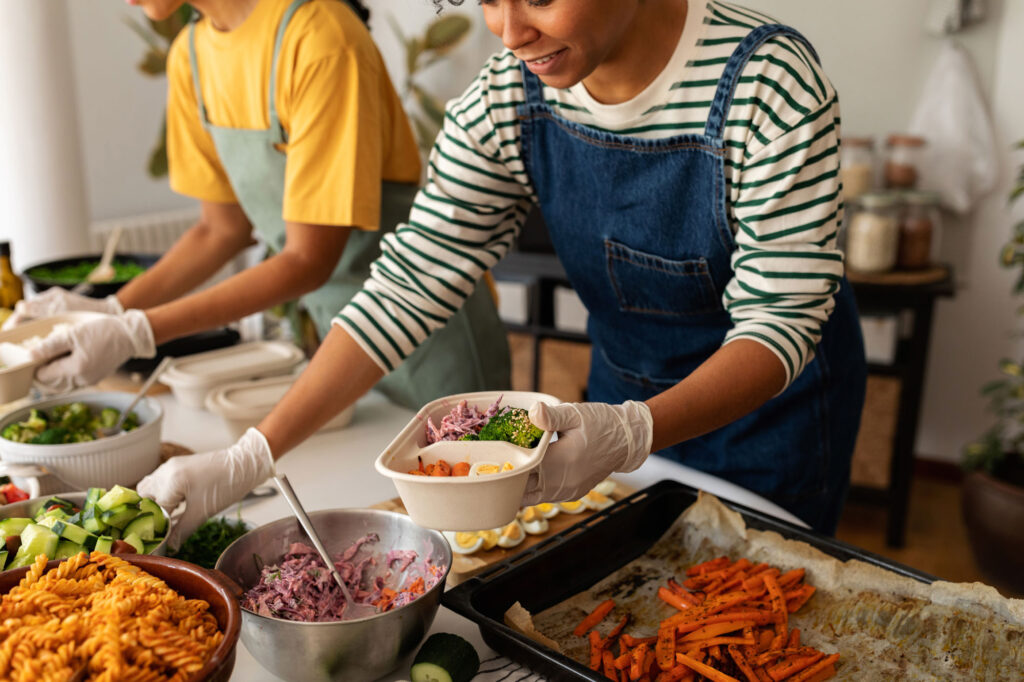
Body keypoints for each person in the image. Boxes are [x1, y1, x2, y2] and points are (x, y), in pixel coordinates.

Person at [129, 0, 864, 546]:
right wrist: (247, 456)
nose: (511, 32)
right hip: (619, 392)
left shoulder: (768, 85)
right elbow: (411, 282)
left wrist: (637, 430)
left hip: (771, 418)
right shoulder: (506, 97)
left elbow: (780, 322)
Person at [6, 0, 510, 411]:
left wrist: (137, 331)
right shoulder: (192, 57)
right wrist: (110, 309)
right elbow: (219, 230)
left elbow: (307, 259)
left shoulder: (319, 38)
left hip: (428, 331)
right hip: (336, 342)